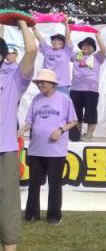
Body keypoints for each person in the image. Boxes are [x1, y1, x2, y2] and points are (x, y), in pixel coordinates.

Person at [0, 19, 37, 251]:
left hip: (4, 150)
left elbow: (32, 50)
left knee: (7, 206)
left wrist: (23, 22)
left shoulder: (13, 79)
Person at [19, 69, 78, 225]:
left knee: (54, 185)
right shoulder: (36, 99)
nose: (40, 85)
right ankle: (32, 215)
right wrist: (20, 131)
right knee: (33, 185)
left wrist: (61, 130)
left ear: (52, 84)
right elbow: (30, 122)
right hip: (36, 150)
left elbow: (73, 121)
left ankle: (54, 216)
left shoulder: (64, 99)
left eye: (42, 82)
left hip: (56, 152)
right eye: (38, 82)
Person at [69, 36, 106, 141]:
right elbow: (68, 47)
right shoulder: (76, 55)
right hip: (75, 89)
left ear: (93, 48)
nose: (86, 47)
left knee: (91, 113)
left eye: (89, 45)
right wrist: (69, 32)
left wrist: (98, 37)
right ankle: (76, 134)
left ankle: (89, 134)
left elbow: (103, 50)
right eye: (84, 45)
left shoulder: (96, 57)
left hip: (91, 90)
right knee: (75, 113)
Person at [33, 21, 72, 94]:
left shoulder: (66, 51)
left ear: (64, 43)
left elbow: (68, 38)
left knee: (62, 102)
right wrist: (32, 25)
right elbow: (39, 38)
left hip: (62, 86)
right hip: (47, 85)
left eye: (59, 40)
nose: (56, 41)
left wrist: (66, 23)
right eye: (54, 40)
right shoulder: (47, 49)